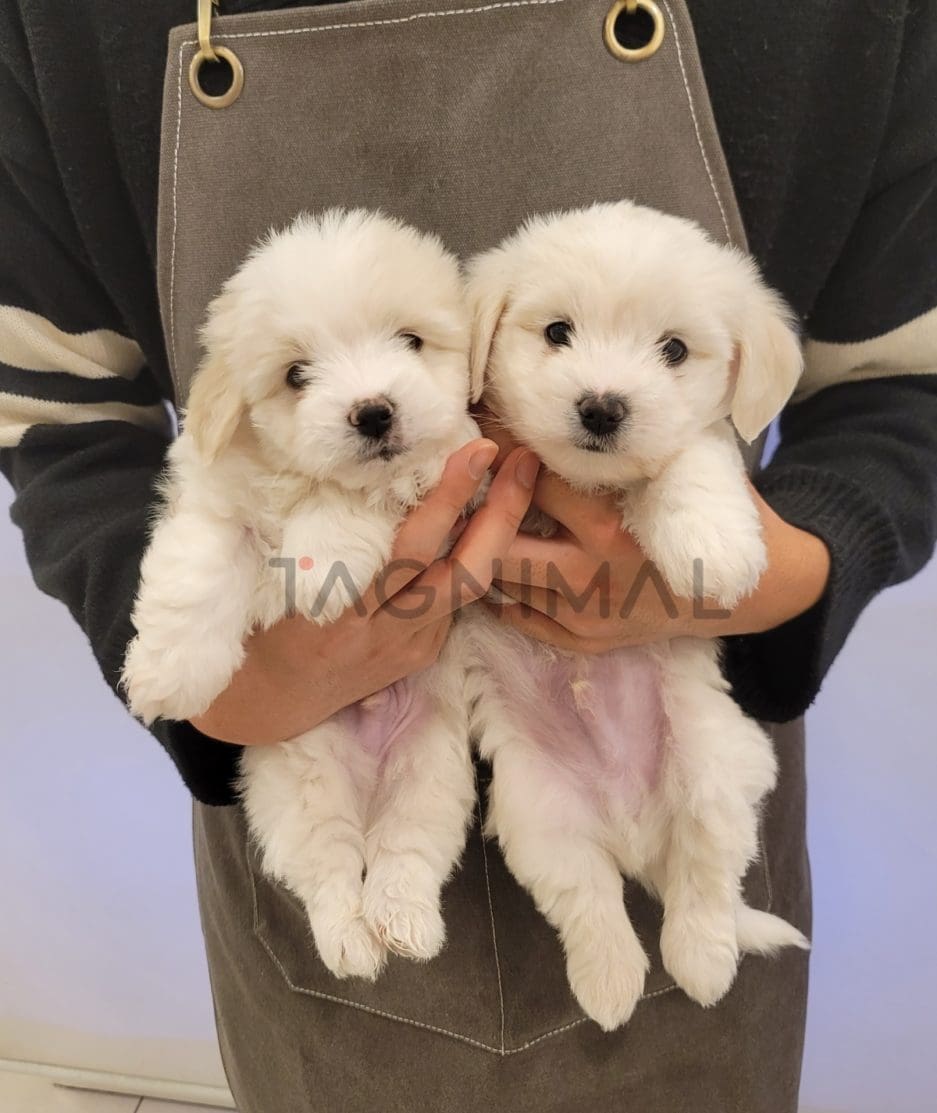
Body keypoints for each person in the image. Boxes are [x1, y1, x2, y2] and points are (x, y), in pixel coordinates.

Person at [1, 1, 935, 1110]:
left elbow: (901, 376)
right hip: (305, 820)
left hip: (676, 729)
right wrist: (224, 685)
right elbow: (52, 402)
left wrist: (794, 570)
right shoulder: (62, 23)